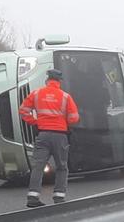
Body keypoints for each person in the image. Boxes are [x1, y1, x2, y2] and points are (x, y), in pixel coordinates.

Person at [19, 68, 80, 207]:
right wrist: (63, 121)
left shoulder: (36, 93)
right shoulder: (65, 97)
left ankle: (33, 197)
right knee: (62, 167)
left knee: (38, 166)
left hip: (43, 134)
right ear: (59, 82)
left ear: (47, 81)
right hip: (60, 136)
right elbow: (74, 118)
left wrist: (35, 121)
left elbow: (23, 110)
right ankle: (59, 196)